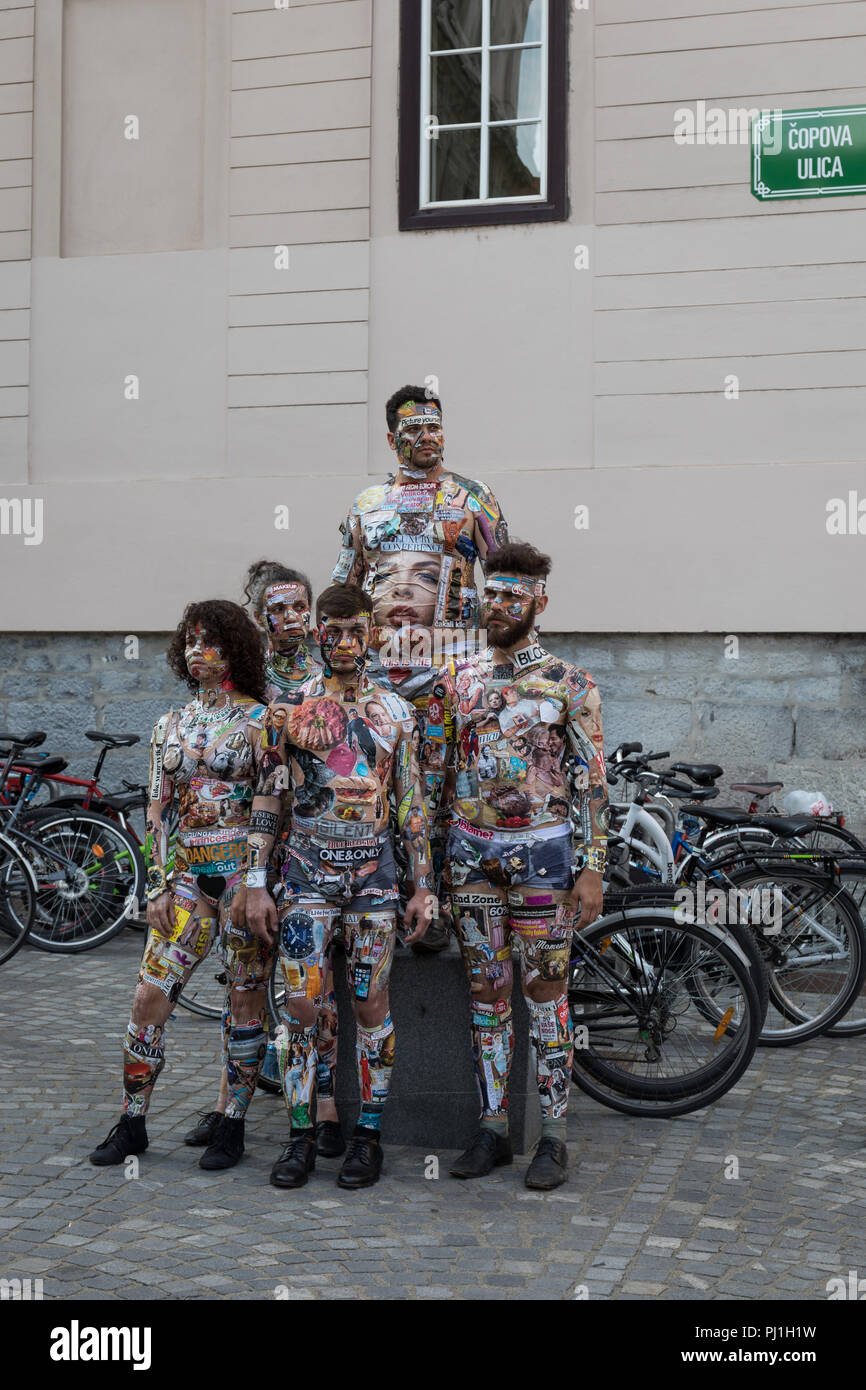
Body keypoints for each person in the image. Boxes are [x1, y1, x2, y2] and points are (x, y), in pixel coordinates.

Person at [244, 584, 436, 1190]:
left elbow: (411, 803)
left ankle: (368, 1136)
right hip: (305, 876)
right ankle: (300, 1136)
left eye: (358, 630)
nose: (347, 642)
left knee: (368, 1004)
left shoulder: (397, 712)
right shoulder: (289, 708)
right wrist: (255, 882)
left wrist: (422, 884)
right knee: (302, 1006)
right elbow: (270, 795)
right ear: (318, 633)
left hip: (374, 881)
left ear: (372, 634)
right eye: (335, 630)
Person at [437, 541, 608, 1191]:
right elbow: (437, 772)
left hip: (546, 855)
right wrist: (428, 872)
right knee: (486, 992)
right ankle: (491, 1128)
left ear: (540, 601)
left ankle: (555, 1137)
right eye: (492, 592)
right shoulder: (459, 679)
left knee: (546, 994)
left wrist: (591, 867)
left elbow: (592, 783)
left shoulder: (571, 684)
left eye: (513, 595)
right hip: (472, 856)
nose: (498, 605)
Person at [89, 602, 272, 1171]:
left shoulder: (261, 722)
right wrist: (159, 885)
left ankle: (232, 1124)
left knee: (244, 1000)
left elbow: (271, 805)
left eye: (209, 641)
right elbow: (158, 811)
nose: (197, 652)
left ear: (235, 649)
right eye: (189, 642)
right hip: (186, 880)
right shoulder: (169, 724)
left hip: (242, 879)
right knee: (149, 997)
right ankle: (132, 1122)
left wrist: (258, 881)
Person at [332, 384, 507, 952]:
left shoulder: (474, 498)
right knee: (379, 787)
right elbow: (344, 590)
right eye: (412, 430)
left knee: (449, 785)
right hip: (381, 673)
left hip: (455, 669)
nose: (426, 437)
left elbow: (507, 584)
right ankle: (382, 899)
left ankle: (448, 909)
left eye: (434, 427)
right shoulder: (365, 506)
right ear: (392, 438)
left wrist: (510, 666)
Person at [183, 563, 347, 1162]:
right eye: (279, 610)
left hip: (309, 851)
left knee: (312, 985)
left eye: (300, 607)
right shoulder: (252, 682)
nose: (293, 620)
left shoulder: (330, 675)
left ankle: (326, 1107)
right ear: (260, 618)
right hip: (245, 855)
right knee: (244, 986)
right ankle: (233, 1111)